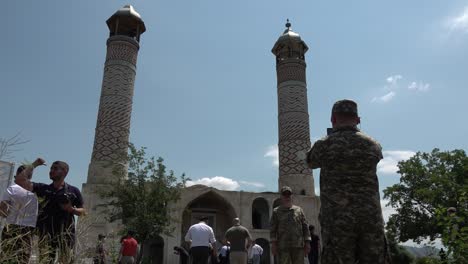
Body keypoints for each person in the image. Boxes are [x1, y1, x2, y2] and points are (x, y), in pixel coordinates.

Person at [307, 99, 390, 264]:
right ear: (358, 119)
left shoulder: (324, 144)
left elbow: (310, 162)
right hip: (370, 217)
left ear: (333, 119)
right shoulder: (372, 145)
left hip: (337, 219)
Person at [15, 158, 86, 264]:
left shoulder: (73, 191)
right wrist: (34, 164)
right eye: (51, 168)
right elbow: (19, 181)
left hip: (65, 235)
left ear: (64, 172)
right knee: (45, 261)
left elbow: (83, 211)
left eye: (55, 168)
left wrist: (71, 209)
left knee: (66, 261)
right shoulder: (43, 188)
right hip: (46, 235)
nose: (51, 171)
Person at [0, 164, 40, 264]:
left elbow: (3, 211)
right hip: (27, 231)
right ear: (30, 176)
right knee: (23, 260)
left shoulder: (12, 189)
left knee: (6, 258)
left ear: (17, 175)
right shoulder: (35, 193)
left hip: (11, 228)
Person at [270, 186, 311, 264]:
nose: (287, 197)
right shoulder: (276, 211)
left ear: (291, 196)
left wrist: (307, 243)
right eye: (285, 195)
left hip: (298, 245)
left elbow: (305, 227)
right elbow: (273, 229)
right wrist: (273, 244)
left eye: (289, 195)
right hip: (283, 246)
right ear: (281, 196)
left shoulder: (299, 210)